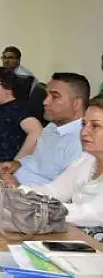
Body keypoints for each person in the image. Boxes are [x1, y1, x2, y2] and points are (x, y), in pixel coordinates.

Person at [20, 96, 103, 235]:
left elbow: (91, 214)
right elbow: (55, 191)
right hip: (73, 233)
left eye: (95, 126)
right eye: (84, 124)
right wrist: (20, 191)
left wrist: (38, 205)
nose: (84, 132)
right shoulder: (87, 159)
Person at [0, 73, 89, 186]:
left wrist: (20, 188)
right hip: (13, 183)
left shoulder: (83, 142)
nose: (45, 102)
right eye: (46, 95)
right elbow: (37, 160)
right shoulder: (52, 126)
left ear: (76, 103)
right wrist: (18, 164)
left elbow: (64, 192)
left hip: (29, 194)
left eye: (55, 97)